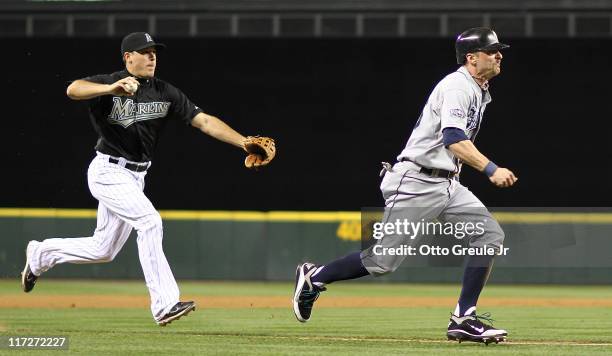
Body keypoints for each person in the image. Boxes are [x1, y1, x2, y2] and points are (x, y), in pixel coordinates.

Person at [20, 32, 275, 326]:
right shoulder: (110, 82)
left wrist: (243, 141)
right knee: (150, 222)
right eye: (144, 51)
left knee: (103, 249)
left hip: (135, 176)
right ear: (128, 57)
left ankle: (40, 254)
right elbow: (73, 89)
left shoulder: (165, 92)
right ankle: (164, 304)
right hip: (108, 171)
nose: (152, 56)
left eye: (154, 51)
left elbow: (203, 121)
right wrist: (110, 88)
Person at [292, 27, 517, 344]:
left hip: (447, 183)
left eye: (499, 50)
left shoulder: (479, 90)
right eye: (491, 50)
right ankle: (314, 277)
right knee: (383, 262)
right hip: (416, 181)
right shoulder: (458, 86)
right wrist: (491, 168)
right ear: (471, 57)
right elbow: (453, 138)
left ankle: (464, 318)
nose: (498, 55)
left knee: (490, 235)